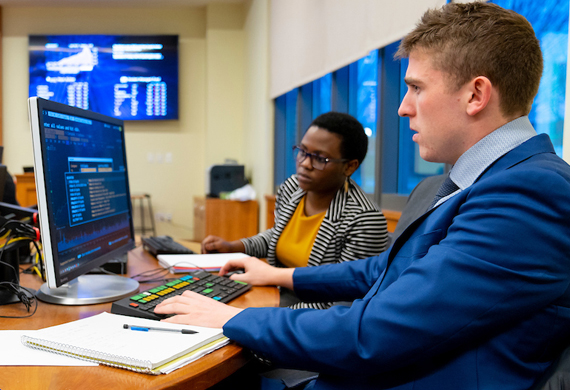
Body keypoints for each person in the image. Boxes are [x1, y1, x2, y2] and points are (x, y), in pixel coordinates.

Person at [155, 2, 570, 389]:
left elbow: (377, 332)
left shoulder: (529, 191)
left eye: (416, 88)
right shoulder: (480, 180)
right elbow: (385, 270)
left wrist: (237, 318)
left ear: (475, 95)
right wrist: (278, 275)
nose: (402, 108)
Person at [202, 112, 389, 309]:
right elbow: (280, 235)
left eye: (320, 159)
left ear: (349, 167)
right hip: (274, 291)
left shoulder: (364, 219)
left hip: (312, 310)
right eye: (303, 151)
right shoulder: (293, 187)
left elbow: (341, 303)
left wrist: (265, 316)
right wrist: (234, 246)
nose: (305, 164)